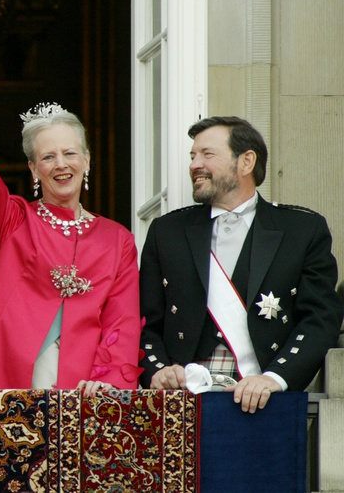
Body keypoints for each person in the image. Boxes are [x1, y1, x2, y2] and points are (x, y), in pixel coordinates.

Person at [0, 19, 141, 392]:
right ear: (33, 168)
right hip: (8, 381)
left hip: (86, 390)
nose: (60, 164)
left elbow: (122, 322)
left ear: (87, 160)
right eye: (48, 157)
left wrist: (108, 382)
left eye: (69, 153)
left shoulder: (118, 240)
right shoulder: (12, 220)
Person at [140, 116, 343, 412]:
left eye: (207, 154)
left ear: (246, 161)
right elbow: (145, 320)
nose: (194, 164)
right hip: (180, 402)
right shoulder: (166, 231)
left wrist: (275, 378)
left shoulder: (301, 229)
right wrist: (158, 370)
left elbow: (320, 317)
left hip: (264, 401)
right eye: (193, 156)